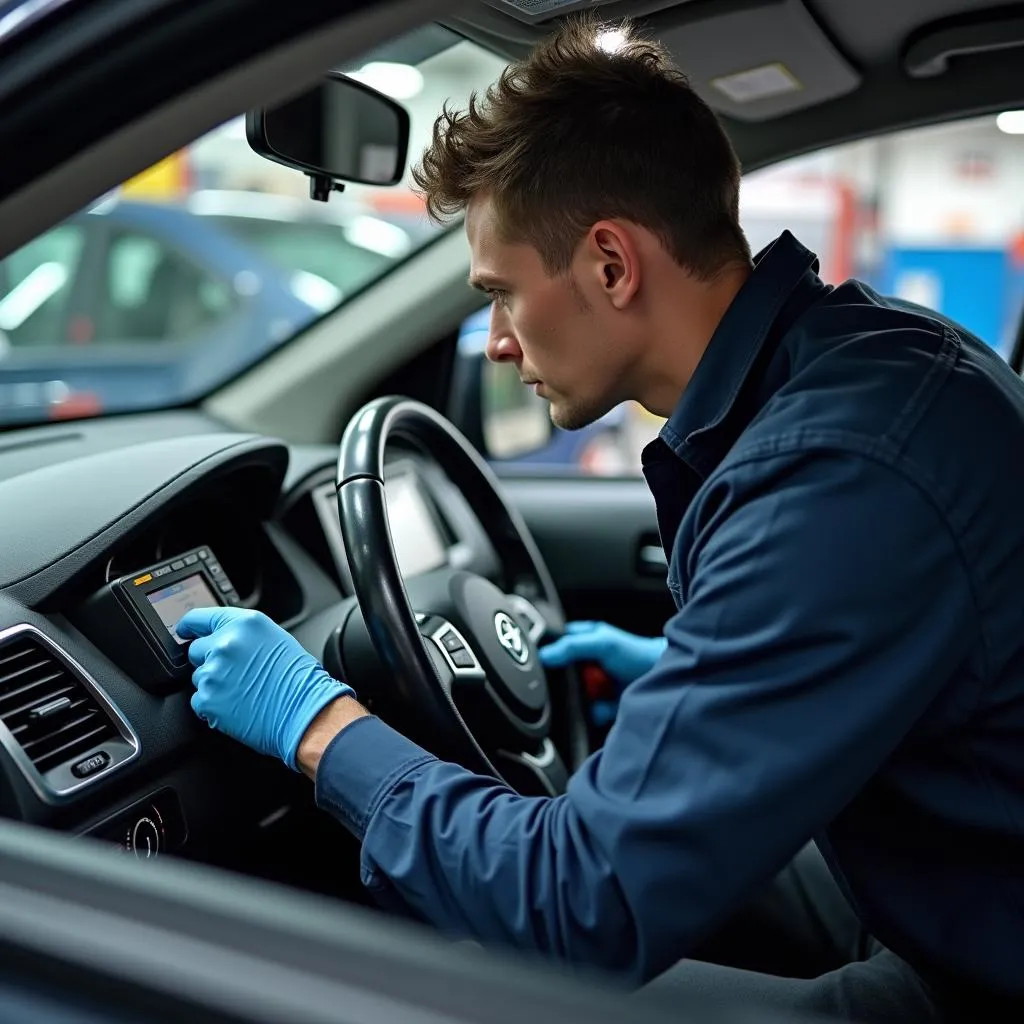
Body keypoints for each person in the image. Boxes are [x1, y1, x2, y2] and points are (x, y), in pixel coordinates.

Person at [175, 14, 1024, 1023]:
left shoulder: (833, 476)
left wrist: (315, 722)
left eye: (500, 294)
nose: (494, 342)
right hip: (950, 914)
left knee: (454, 995)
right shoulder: (867, 363)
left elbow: (584, 903)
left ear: (611, 265)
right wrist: (685, 677)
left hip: (972, 977)